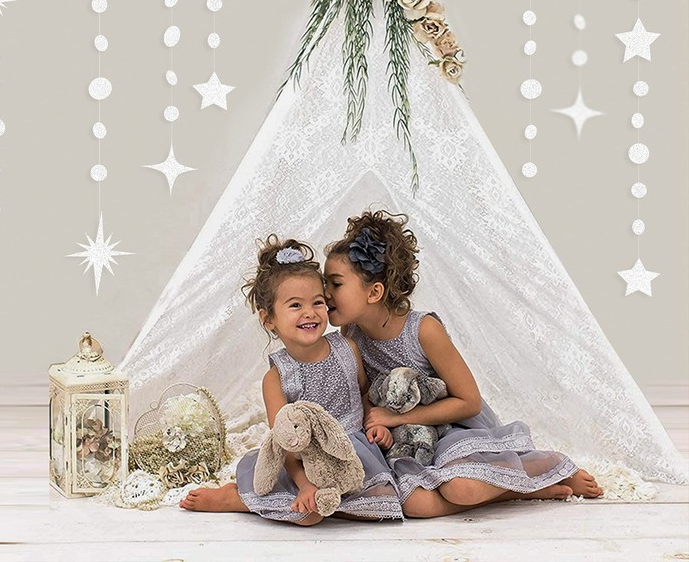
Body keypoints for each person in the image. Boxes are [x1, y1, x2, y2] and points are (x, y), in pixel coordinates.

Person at [324, 210, 604, 518]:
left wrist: (396, 418)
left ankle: (547, 468)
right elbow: (365, 390)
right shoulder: (351, 332)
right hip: (403, 439)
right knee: (414, 505)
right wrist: (377, 423)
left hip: (449, 428)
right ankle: (514, 492)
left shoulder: (423, 330)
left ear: (374, 292)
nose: (325, 294)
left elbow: (469, 402)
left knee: (460, 489)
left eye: (335, 284)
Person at [180, 236, 403, 524]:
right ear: (269, 319)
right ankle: (238, 499)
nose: (310, 312)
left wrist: (375, 424)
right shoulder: (277, 377)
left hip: (350, 451)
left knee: (381, 504)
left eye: (318, 302)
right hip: (302, 460)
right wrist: (305, 484)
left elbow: (362, 395)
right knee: (310, 516)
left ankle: (326, 502)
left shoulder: (347, 349)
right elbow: (284, 442)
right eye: (295, 305)